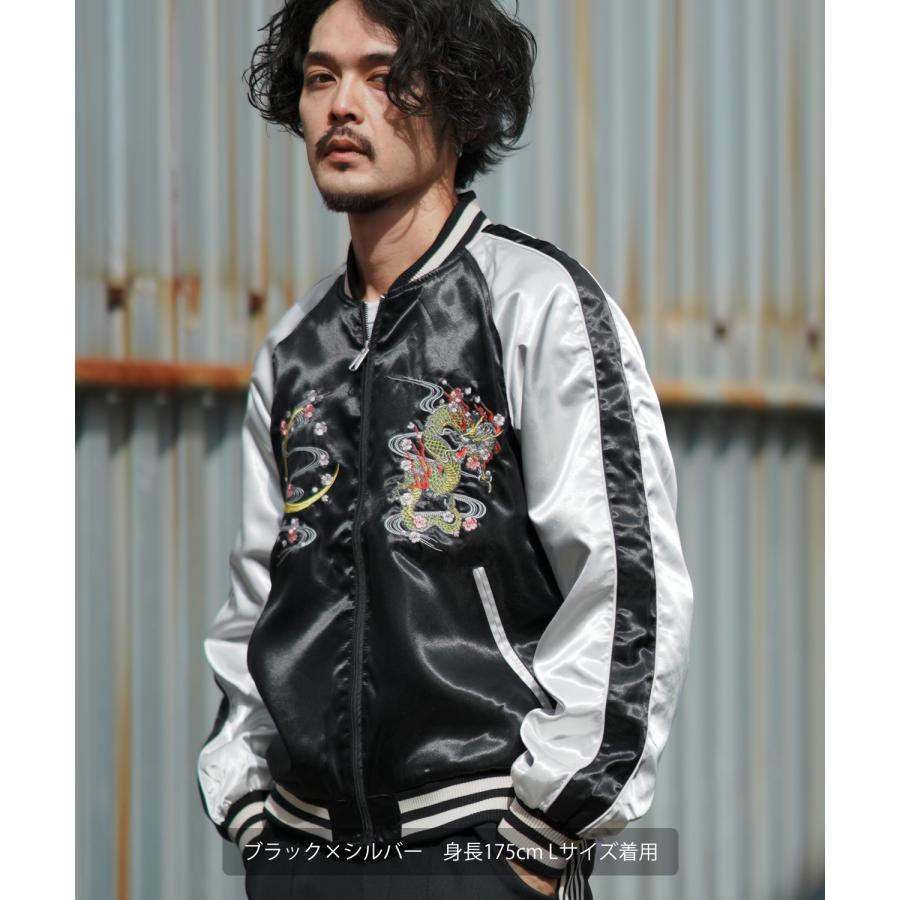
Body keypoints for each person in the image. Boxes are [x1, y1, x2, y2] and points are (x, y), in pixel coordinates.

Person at [196, 1, 694, 898]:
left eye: (384, 77)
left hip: (478, 846)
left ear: (460, 104)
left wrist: (543, 837)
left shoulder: (538, 308)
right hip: (301, 855)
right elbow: (258, 601)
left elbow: (623, 585)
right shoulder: (294, 349)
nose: (342, 105)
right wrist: (250, 813)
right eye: (320, 77)